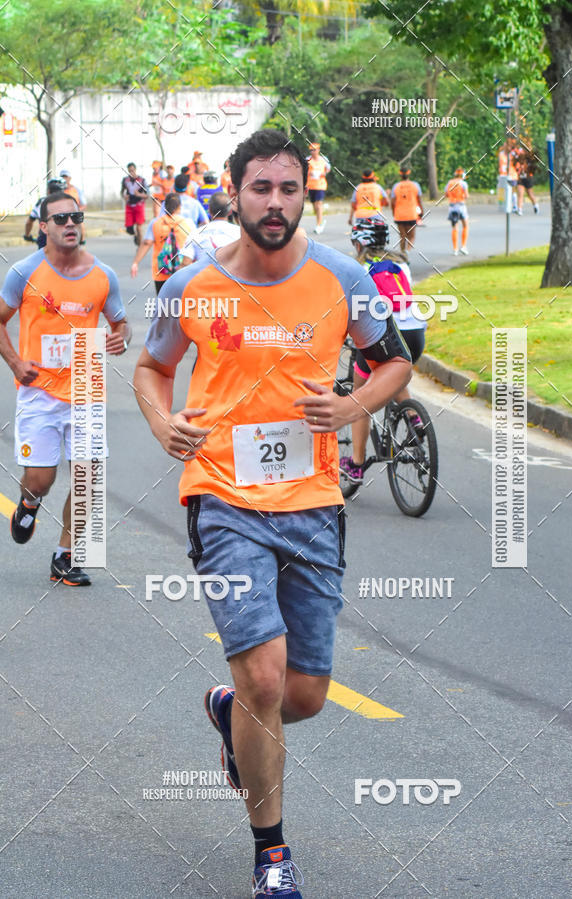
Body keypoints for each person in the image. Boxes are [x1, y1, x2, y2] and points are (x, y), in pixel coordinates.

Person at [133, 128, 411, 897]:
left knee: (301, 696)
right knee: (262, 677)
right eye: (262, 188)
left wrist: (349, 401)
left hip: (315, 502)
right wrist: (163, 424)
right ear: (235, 191)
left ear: (303, 194)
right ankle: (273, 852)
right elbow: (152, 369)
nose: (277, 203)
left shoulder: (343, 277)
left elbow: (396, 360)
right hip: (222, 495)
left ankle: (230, 713)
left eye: (290, 188)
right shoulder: (190, 285)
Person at [0, 191, 130, 585]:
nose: (70, 224)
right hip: (39, 390)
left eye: (75, 216)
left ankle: (66, 557)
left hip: (86, 388)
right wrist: (15, 362)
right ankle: (28, 503)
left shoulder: (102, 275)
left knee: (88, 478)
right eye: (60, 219)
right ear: (43, 227)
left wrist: (119, 338)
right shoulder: (24, 272)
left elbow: (120, 323)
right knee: (41, 478)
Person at [339, 218, 426, 485]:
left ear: (359, 242)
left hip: (384, 334)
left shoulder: (357, 267)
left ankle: (355, 463)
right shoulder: (401, 262)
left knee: (360, 397)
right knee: (392, 372)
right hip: (415, 332)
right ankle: (414, 417)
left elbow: (349, 309)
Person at [130, 192, 195, 293]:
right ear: (179, 207)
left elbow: (147, 243)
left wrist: (135, 262)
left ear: (164, 206)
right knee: (182, 304)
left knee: (163, 304)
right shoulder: (188, 223)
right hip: (184, 272)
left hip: (161, 272)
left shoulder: (155, 223)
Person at [180, 191, 240, 265]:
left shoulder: (195, 233)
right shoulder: (240, 233)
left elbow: (185, 264)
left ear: (209, 210)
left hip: (203, 275)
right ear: (230, 212)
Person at [24, 178, 66, 249]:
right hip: (63, 237)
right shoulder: (69, 202)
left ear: (48, 191)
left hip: (45, 238)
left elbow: (29, 222)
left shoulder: (42, 202)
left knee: (43, 259)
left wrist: (27, 235)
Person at [390, 167, 422, 254]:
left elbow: (392, 202)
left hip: (399, 215)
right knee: (411, 236)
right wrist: (421, 212)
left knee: (402, 236)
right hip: (411, 214)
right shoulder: (415, 185)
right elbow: (419, 201)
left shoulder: (396, 186)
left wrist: (394, 212)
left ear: (400, 175)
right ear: (409, 174)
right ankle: (407, 251)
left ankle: (402, 253)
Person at [121, 162, 148, 247]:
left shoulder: (142, 181)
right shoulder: (125, 180)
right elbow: (122, 192)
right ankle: (136, 237)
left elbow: (147, 195)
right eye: (130, 171)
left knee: (139, 227)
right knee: (129, 229)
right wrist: (124, 196)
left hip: (139, 205)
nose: (131, 173)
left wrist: (139, 195)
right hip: (129, 205)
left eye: (133, 171)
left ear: (135, 170)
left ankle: (140, 246)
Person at [306, 141, 330, 234]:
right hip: (311, 185)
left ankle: (319, 225)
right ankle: (320, 220)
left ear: (318, 150)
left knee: (318, 204)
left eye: (314, 150)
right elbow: (303, 169)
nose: (312, 152)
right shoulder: (308, 159)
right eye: (311, 150)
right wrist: (309, 173)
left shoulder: (324, 159)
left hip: (320, 184)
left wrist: (323, 173)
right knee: (314, 206)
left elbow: (328, 169)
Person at [444, 167, 469, 255]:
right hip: (461, 205)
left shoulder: (449, 183)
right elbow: (466, 196)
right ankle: (463, 246)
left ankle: (455, 249)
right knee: (465, 225)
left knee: (454, 227)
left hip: (452, 206)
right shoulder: (463, 183)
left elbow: (446, 194)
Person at [60, 168, 87, 244]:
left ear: (70, 178)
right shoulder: (58, 190)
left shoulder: (76, 190)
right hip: (62, 214)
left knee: (80, 222)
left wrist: (77, 211)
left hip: (75, 213)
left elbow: (84, 204)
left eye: (66, 177)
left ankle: (82, 241)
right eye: (62, 177)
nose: (64, 179)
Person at [515, 147, 539, 215]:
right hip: (521, 179)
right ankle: (519, 209)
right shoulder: (518, 161)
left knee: (530, 194)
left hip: (528, 178)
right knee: (520, 194)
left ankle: (535, 205)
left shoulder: (529, 160)